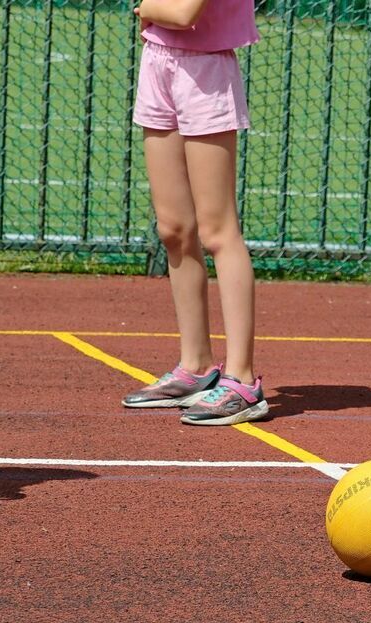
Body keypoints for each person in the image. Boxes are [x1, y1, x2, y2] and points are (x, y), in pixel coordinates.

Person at [124, 0, 268, 426]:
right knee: (173, 228)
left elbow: (184, 11)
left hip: (205, 71)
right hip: (158, 60)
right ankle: (196, 367)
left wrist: (143, 8)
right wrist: (151, 13)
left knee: (218, 230)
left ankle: (243, 381)